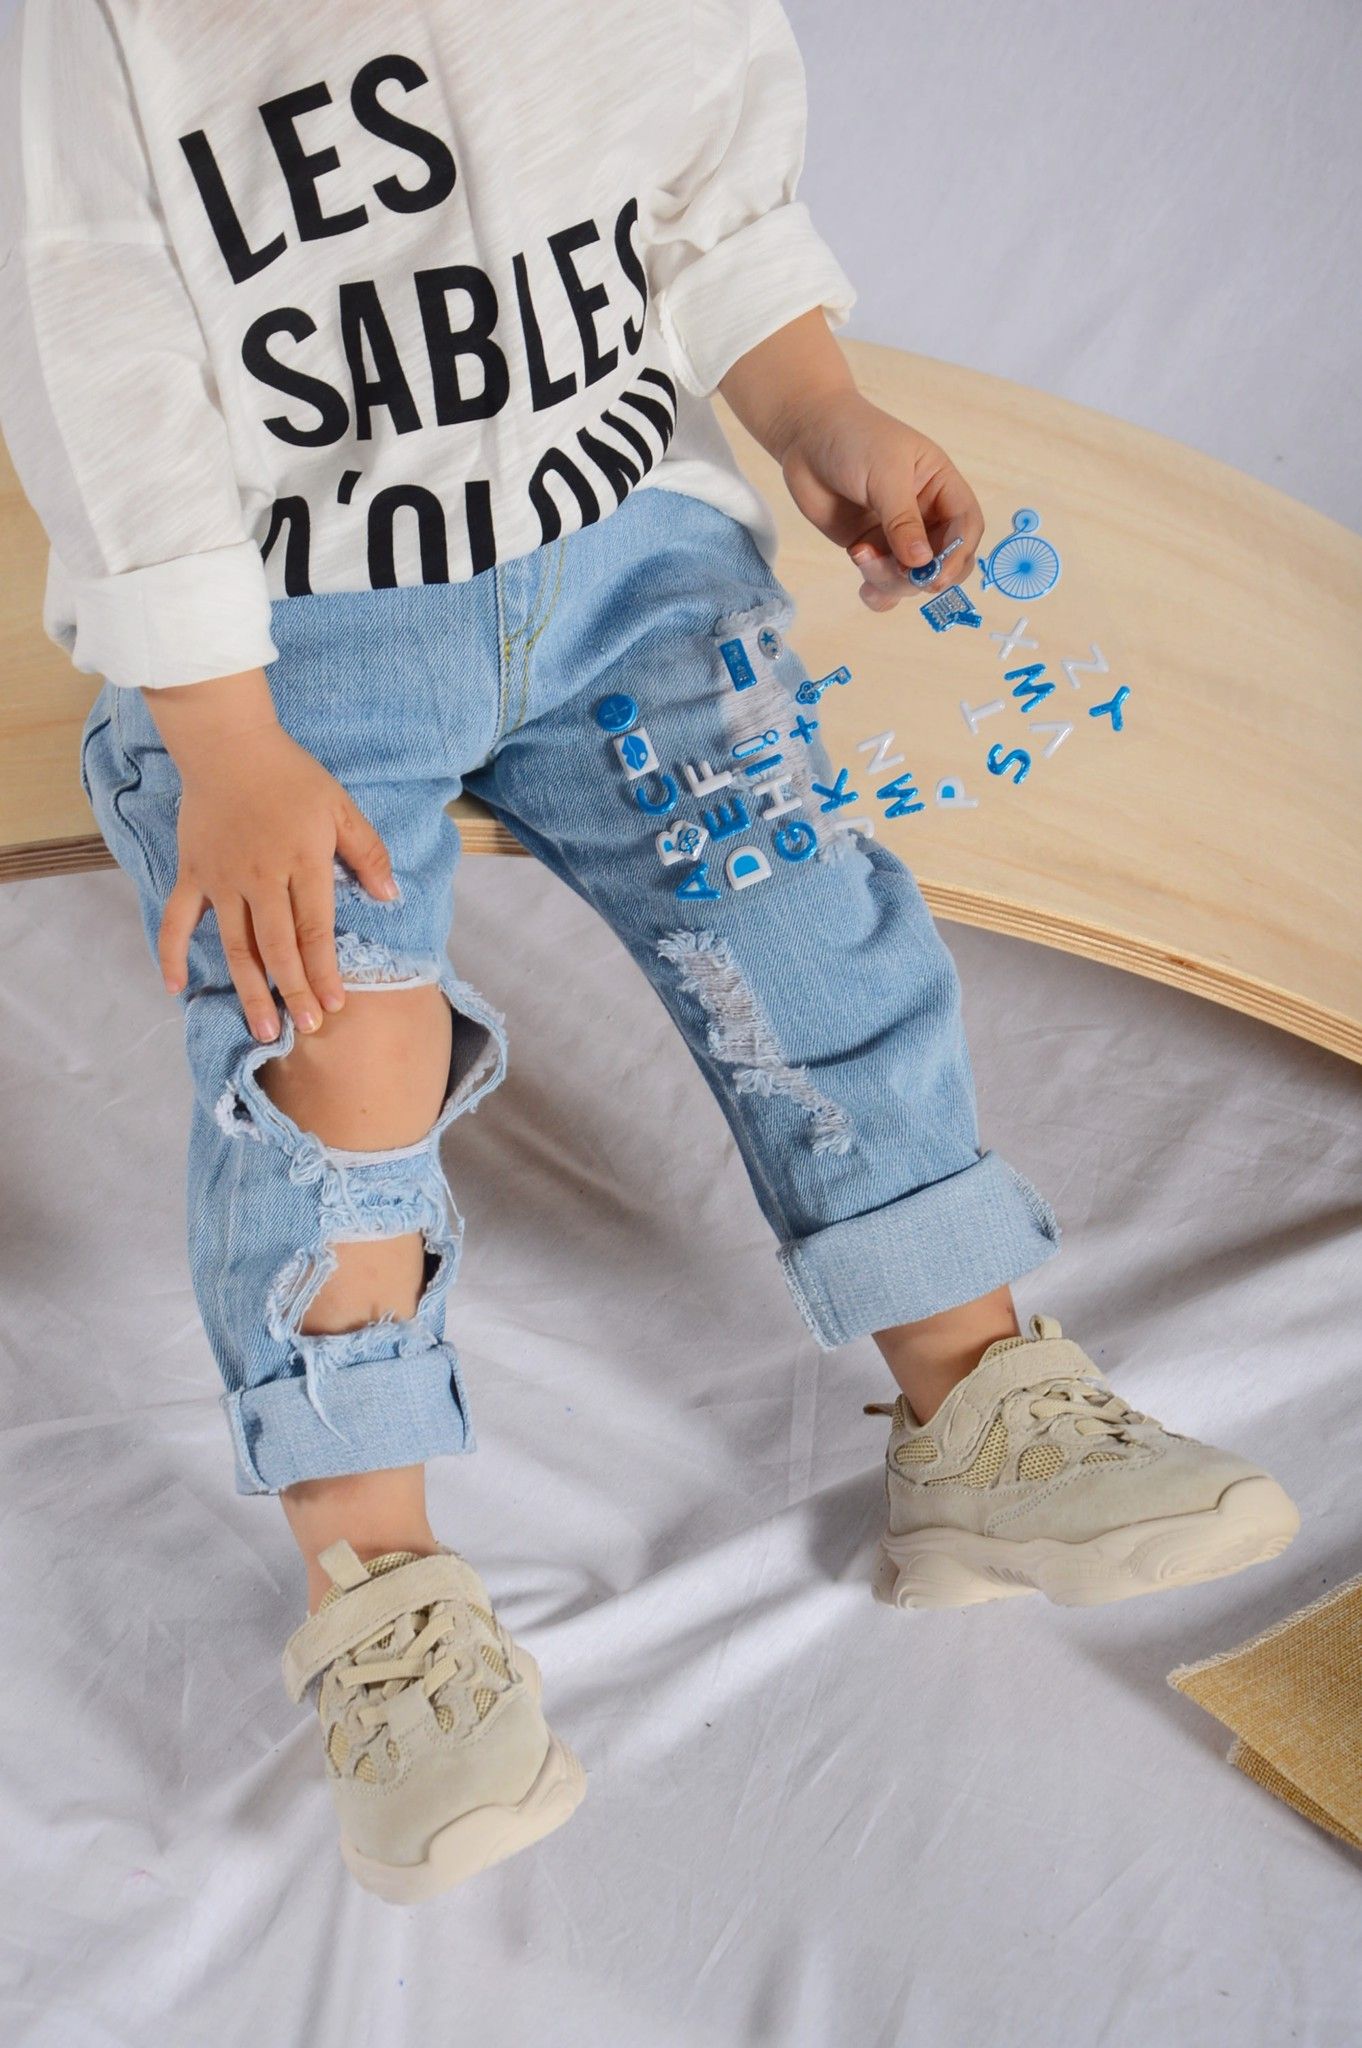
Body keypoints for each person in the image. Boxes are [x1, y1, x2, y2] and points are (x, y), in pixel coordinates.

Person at [0, 0, 1299, 1905]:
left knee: (798, 914)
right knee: (330, 1049)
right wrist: (216, 727)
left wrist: (815, 407)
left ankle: (975, 1402)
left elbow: (699, 190)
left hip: (624, 558)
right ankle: (382, 1599)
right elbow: (84, 331)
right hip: (288, 635)